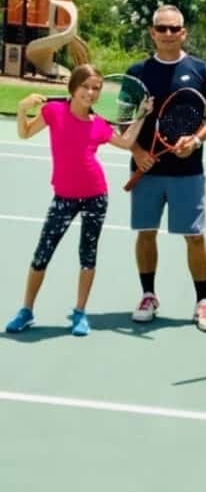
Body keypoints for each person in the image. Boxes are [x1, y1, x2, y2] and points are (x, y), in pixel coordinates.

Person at [5, 64, 150, 336]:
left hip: (96, 196)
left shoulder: (99, 124)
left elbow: (126, 141)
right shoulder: (53, 111)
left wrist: (141, 114)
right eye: (85, 86)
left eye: (96, 88)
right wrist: (23, 109)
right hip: (63, 197)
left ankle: (80, 312)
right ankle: (26, 311)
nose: (91, 93)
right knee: (42, 254)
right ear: (73, 87)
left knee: (87, 255)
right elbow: (24, 133)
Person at [127, 5, 206, 332]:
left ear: (184, 32)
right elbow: (124, 122)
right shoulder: (136, 72)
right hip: (146, 169)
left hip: (188, 171)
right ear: (152, 32)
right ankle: (148, 296)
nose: (168, 33)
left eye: (174, 28)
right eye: (161, 28)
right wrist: (138, 151)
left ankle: (203, 302)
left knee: (195, 237)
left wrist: (195, 141)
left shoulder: (202, 70)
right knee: (146, 233)